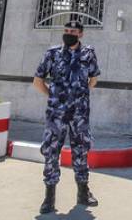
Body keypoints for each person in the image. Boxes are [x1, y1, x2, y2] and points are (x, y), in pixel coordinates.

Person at [32, 21, 101, 214]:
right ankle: (49, 197)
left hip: (80, 114)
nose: (68, 33)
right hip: (57, 114)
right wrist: (55, 97)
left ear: (81, 34)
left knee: (81, 149)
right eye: (66, 30)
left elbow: (93, 80)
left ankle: (83, 192)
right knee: (51, 150)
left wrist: (79, 97)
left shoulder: (88, 54)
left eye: (73, 31)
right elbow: (37, 81)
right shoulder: (52, 53)